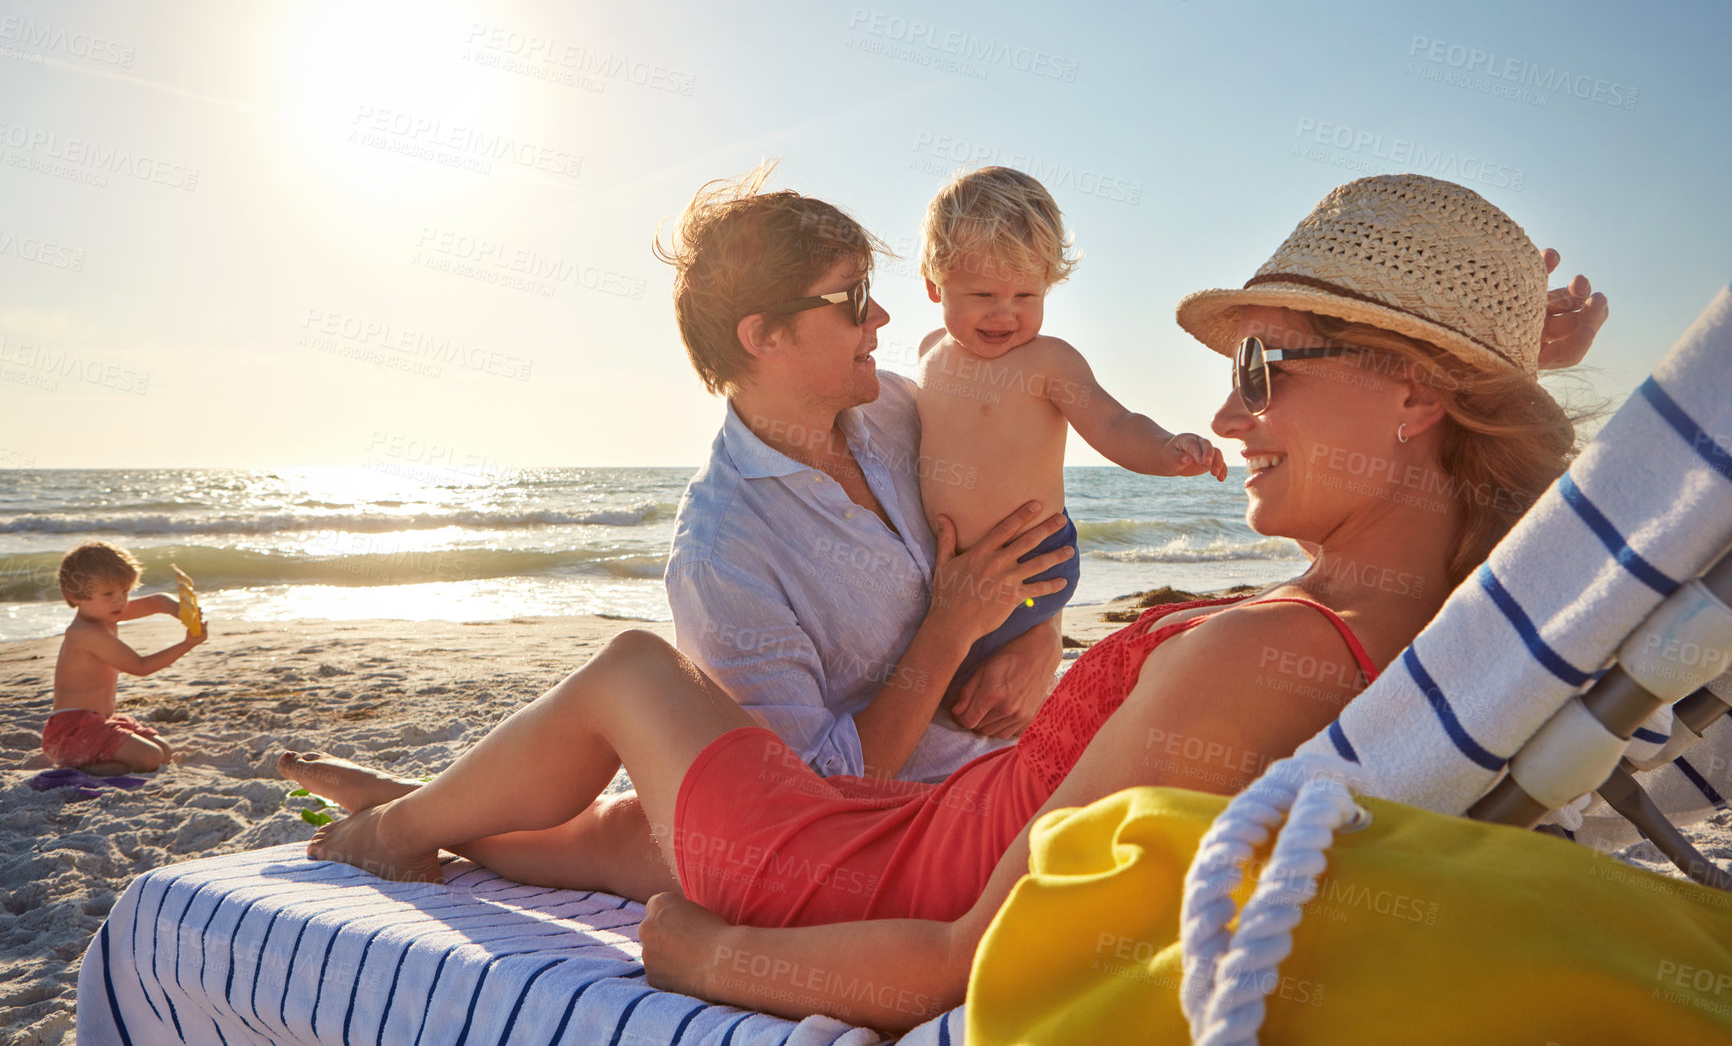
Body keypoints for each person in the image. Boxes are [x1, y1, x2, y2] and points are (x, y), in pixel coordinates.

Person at [279, 173, 1606, 1030]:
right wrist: (1502, 372)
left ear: (1420, 396)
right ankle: (419, 815)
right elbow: (1513, 523)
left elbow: (956, 962)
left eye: (1265, 366)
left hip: (859, 851)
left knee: (634, 683)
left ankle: (399, 826)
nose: (1224, 408)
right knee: (620, 830)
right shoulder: (1421, 610)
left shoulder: (1269, 648)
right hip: (895, 806)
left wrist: (696, 957)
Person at [661, 164, 1079, 785]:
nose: (880, 315)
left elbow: (1023, 525)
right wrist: (949, 630)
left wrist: (1040, 637)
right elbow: (813, 790)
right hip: (921, 831)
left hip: (1042, 769)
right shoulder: (721, 556)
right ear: (765, 336)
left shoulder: (903, 409)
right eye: (853, 297)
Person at [915, 166, 1227, 690]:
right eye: (982, 296)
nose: (1004, 315)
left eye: (1025, 296)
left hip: (1034, 562)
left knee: (993, 693)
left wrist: (1166, 448)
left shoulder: (1048, 362)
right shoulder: (928, 354)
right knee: (959, 691)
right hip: (953, 569)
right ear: (935, 286)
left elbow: (1113, 421)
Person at [43, 541, 209, 773]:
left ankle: (108, 765)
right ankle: (78, 770)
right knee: (150, 757)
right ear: (75, 595)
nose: (119, 601)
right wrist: (186, 645)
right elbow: (140, 666)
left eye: (125, 592)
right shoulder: (86, 632)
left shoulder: (105, 612)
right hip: (72, 732)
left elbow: (156, 602)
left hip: (99, 723)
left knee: (164, 751)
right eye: (108, 593)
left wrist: (181, 611)